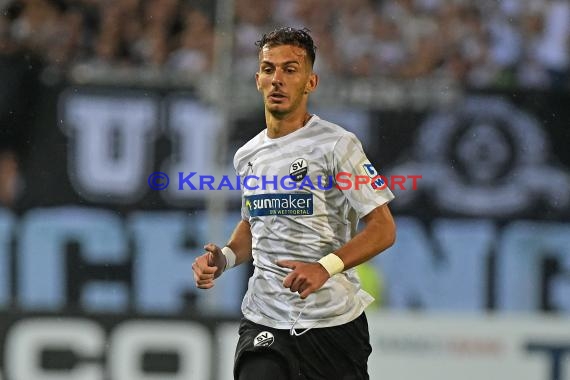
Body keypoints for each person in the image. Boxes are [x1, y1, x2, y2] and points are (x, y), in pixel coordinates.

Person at [192, 26, 396, 380]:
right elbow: (254, 223)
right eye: (269, 69)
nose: (277, 80)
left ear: (310, 82)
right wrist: (223, 258)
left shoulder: (338, 145)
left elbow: (383, 228)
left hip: (332, 325)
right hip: (264, 319)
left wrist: (324, 267)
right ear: (257, 80)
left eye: (290, 69)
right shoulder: (247, 155)